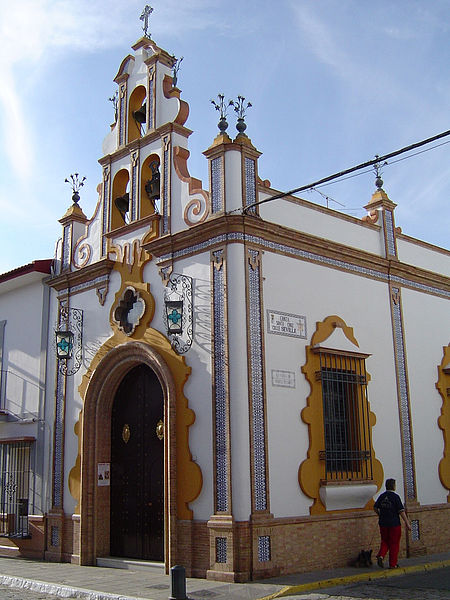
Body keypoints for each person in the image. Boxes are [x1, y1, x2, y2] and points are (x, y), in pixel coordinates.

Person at [374, 478, 411, 569]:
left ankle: (381, 555)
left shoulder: (382, 496)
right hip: (394, 524)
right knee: (394, 544)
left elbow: (375, 507)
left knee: (385, 541)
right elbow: (401, 511)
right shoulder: (395, 497)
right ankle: (393, 564)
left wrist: (380, 514)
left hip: (383, 523)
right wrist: (407, 523)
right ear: (393, 486)